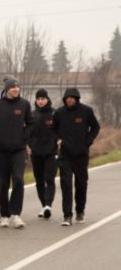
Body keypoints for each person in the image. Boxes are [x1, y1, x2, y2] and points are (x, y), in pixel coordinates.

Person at [0, 76, 33, 229]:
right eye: (13, 87)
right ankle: (4, 215)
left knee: (18, 179)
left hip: (18, 151)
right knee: (2, 183)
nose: (16, 89)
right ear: (7, 89)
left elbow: (31, 123)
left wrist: (24, 137)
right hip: (1, 151)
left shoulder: (24, 104)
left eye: (17, 87)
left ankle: (16, 214)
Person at [52, 88, 100, 226]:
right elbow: (53, 129)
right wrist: (58, 139)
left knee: (81, 183)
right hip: (65, 155)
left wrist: (87, 142)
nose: (69, 99)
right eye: (67, 97)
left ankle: (80, 211)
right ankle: (67, 215)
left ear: (77, 98)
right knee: (66, 184)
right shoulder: (59, 113)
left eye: (72, 97)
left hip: (81, 154)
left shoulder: (86, 111)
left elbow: (96, 127)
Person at [29, 89, 58, 220]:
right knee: (39, 181)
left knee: (49, 179)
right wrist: (31, 145)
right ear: (36, 100)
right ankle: (43, 206)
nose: (40, 101)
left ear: (47, 100)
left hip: (51, 153)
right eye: (38, 99)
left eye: (43, 99)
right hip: (36, 153)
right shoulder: (32, 115)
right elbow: (27, 133)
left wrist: (56, 142)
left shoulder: (54, 114)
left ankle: (48, 205)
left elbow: (60, 131)